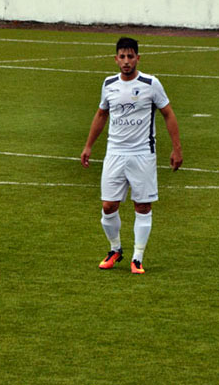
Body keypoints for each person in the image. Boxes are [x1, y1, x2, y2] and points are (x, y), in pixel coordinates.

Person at [80, 37, 182, 274]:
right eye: (122, 57)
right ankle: (115, 249)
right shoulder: (108, 84)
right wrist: (88, 146)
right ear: (116, 59)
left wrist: (177, 149)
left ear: (138, 58)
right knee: (108, 206)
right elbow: (101, 115)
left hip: (142, 154)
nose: (126, 62)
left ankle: (137, 257)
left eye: (130, 56)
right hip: (114, 153)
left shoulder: (151, 83)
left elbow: (168, 114)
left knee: (143, 206)